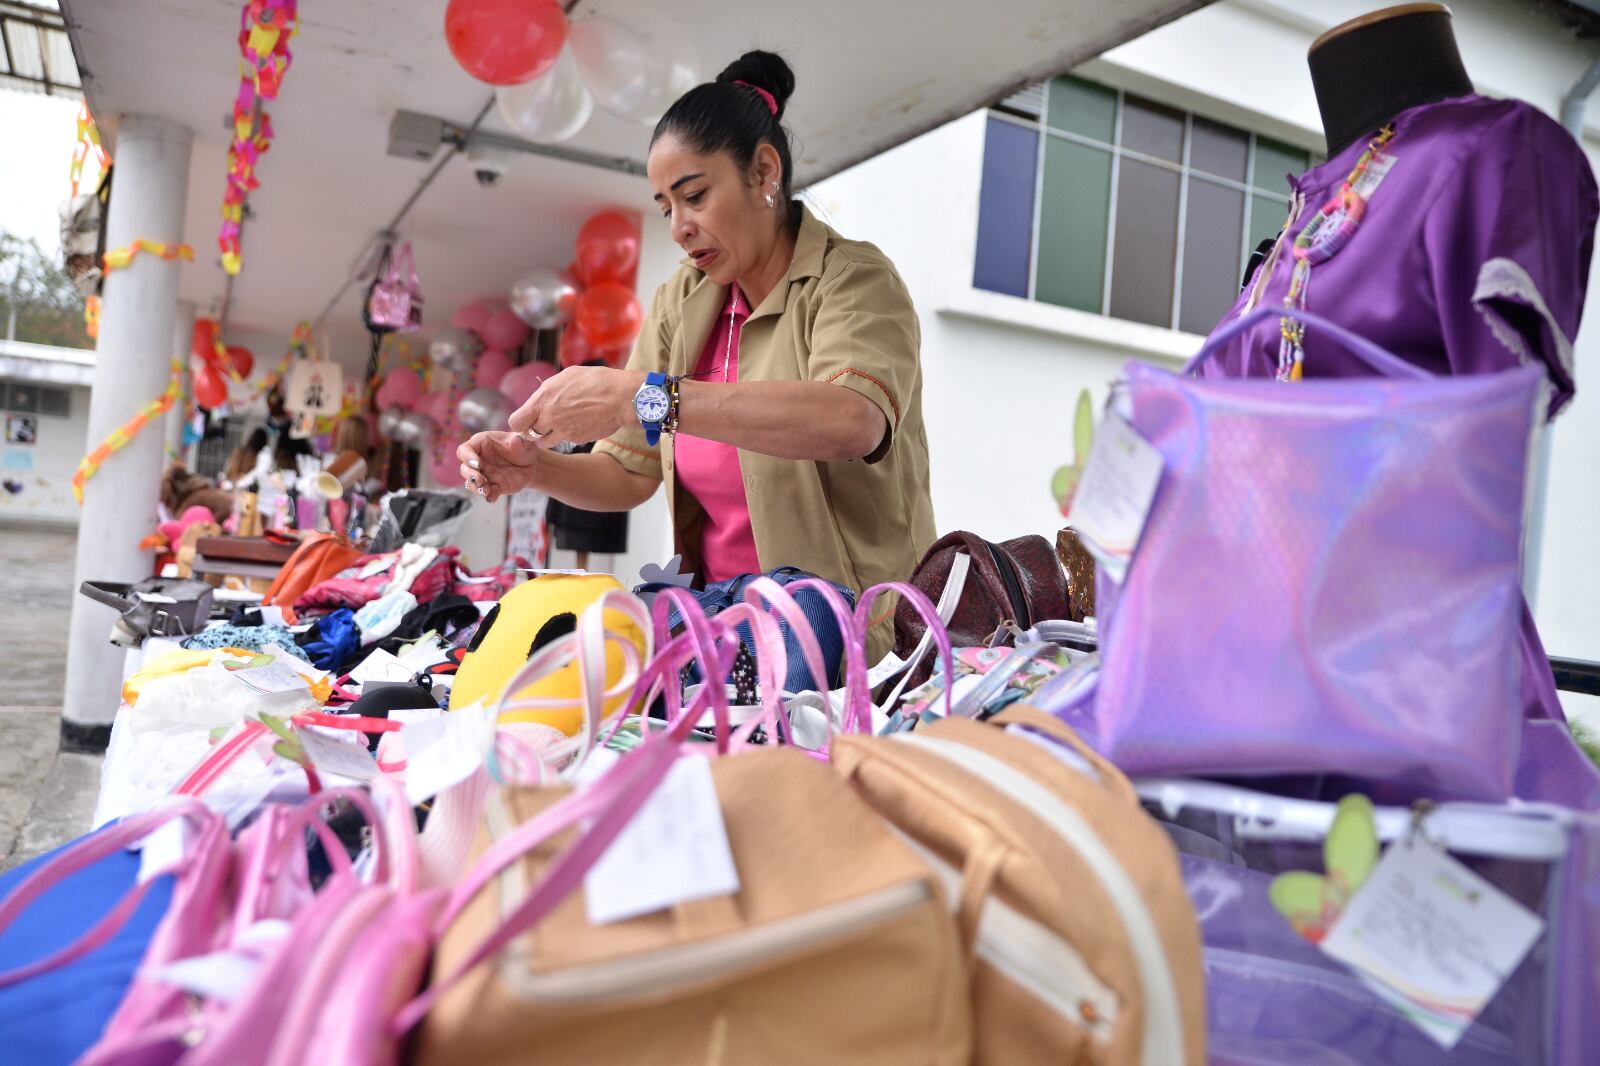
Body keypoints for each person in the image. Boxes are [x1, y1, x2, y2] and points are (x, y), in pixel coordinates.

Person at [459, 50, 935, 658]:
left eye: (696, 196)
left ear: (764, 172)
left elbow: (852, 420)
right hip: (728, 643)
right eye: (667, 208)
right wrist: (535, 470)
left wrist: (648, 397)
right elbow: (629, 470)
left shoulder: (853, 280)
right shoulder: (679, 302)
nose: (679, 227)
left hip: (860, 649)